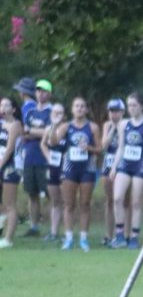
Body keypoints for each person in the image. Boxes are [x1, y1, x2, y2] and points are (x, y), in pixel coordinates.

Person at [109, 93, 143, 249]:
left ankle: (134, 236)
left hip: (141, 165)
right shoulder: (123, 124)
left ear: (142, 106)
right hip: (125, 164)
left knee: (136, 202)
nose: (131, 108)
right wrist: (114, 166)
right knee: (117, 198)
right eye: (129, 105)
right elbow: (121, 147)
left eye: (134, 105)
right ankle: (120, 235)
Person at [56, 97, 101, 251]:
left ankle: (83, 238)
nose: (80, 109)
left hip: (87, 168)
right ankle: (68, 238)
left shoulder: (93, 127)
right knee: (68, 204)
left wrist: (88, 147)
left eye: (83, 106)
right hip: (70, 168)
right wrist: (53, 126)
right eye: (77, 106)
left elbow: (100, 149)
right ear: (72, 109)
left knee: (85, 204)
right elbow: (53, 142)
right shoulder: (66, 127)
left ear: (86, 110)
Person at [19, 79, 53, 238]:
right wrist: (37, 132)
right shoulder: (31, 111)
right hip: (29, 156)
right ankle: (34, 227)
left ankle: (54, 228)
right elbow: (22, 134)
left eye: (44, 90)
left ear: (49, 93)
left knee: (50, 194)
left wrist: (32, 131)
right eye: (38, 90)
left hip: (45, 158)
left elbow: (49, 133)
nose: (41, 93)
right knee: (32, 194)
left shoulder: (52, 112)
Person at [40, 101, 68, 243]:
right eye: (54, 112)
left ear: (64, 115)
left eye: (60, 112)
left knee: (67, 202)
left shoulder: (67, 128)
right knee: (55, 201)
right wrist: (48, 157)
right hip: (53, 168)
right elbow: (44, 144)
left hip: (65, 169)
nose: (56, 115)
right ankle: (53, 232)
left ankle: (66, 233)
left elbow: (56, 142)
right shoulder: (49, 128)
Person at [100, 99, 125, 247]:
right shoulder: (107, 125)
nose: (113, 114)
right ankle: (108, 234)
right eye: (111, 111)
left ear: (122, 112)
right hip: (108, 164)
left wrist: (119, 127)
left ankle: (124, 233)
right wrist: (112, 128)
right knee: (109, 201)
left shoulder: (126, 124)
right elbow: (104, 145)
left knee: (123, 201)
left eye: (116, 111)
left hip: (123, 163)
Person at [0, 97, 24, 249]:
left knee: (10, 203)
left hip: (11, 166)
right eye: (1, 104)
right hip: (2, 164)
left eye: (6, 104)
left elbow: (9, 149)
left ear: (13, 109)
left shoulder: (15, 125)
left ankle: (8, 239)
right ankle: (2, 219)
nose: (2, 106)